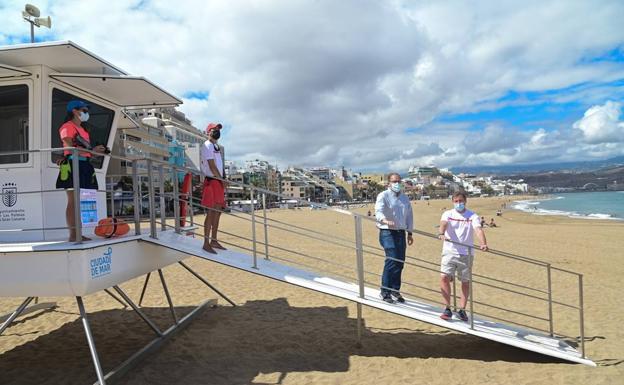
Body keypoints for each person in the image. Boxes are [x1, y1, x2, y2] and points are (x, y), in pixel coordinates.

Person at [56, 100, 106, 242]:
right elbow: (69, 145)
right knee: (73, 201)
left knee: (82, 201)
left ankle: (79, 233)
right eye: (84, 110)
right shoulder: (67, 126)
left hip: (85, 165)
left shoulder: (83, 130)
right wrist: (91, 150)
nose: (86, 113)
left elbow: (87, 152)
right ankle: (73, 235)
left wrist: (97, 152)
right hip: (72, 164)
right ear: (74, 111)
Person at [438, 191, 488, 321]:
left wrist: (483, 243)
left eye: (461, 201)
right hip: (449, 251)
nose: (459, 203)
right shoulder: (448, 213)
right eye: (456, 201)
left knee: (465, 282)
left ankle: (462, 310)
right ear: (453, 202)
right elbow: (443, 224)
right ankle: (447, 308)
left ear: (465, 201)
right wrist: (441, 233)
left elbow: (478, 229)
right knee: (444, 277)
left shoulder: (472, 215)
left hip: (466, 253)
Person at [375, 172, 414, 304]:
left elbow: (409, 215)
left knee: (400, 262)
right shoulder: (383, 195)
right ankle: (384, 291)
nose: (397, 184)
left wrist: (410, 232)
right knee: (391, 259)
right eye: (394, 181)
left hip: (400, 232)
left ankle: (394, 290)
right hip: (387, 232)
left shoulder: (404, 198)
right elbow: (378, 211)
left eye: (398, 181)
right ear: (389, 183)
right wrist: (384, 220)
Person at [200, 123, 227, 253]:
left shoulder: (216, 146)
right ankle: (206, 242)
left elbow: (219, 165)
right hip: (212, 181)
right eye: (213, 129)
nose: (216, 131)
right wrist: (221, 180)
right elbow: (211, 165)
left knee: (217, 212)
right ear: (208, 132)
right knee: (211, 212)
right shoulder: (207, 145)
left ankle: (214, 240)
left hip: (218, 181)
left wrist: (223, 179)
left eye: (217, 129)